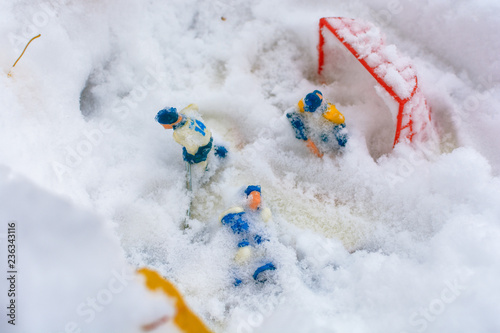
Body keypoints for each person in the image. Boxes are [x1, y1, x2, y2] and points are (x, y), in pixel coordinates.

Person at [220, 185, 276, 285]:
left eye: (258, 197)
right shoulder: (237, 210)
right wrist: (240, 223)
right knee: (244, 252)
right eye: (253, 197)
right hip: (240, 238)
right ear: (246, 199)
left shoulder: (263, 213)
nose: (256, 200)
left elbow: (270, 228)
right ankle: (235, 273)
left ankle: (264, 266)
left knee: (265, 245)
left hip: (256, 236)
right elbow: (225, 219)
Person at [286, 90, 348, 157]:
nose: (306, 110)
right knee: (294, 117)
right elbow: (292, 114)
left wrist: (342, 144)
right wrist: (307, 139)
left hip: (326, 130)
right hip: (312, 128)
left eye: (310, 110)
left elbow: (342, 123)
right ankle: (311, 145)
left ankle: (342, 155)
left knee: (338, 134)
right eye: (306, 108)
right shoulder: (302, 104)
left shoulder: (331, 114)